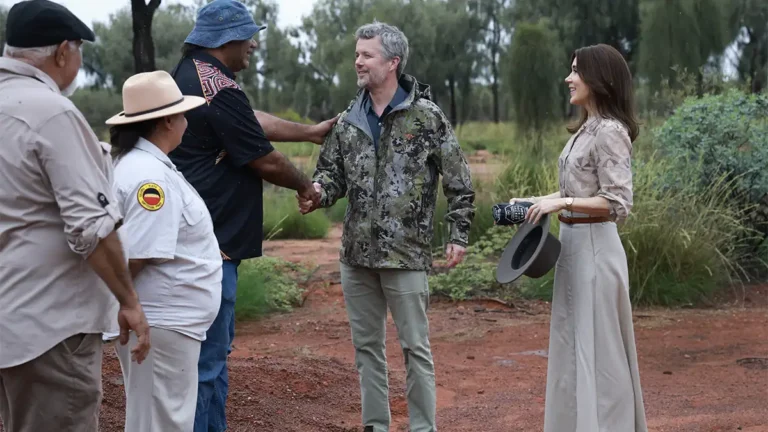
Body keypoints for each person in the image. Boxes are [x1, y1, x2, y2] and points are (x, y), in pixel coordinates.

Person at [167, 1, 337, 430]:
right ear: (228, 39)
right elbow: (264, 159)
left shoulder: (199, 75)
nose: (255, 44)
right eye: (249, 35)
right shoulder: (214, 86)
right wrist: (306, 186)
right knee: (206, 367)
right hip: (211, 249)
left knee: (214, 361)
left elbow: (248, 121)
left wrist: (310, 132)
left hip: (207, 245)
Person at [299, 21, 475, 432]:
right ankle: (375, 426)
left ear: (392, 62)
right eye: (357, 54)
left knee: (415, 348)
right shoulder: (348, 121)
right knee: (367, 351)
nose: (358, 61)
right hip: (356, 257)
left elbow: (459, 181)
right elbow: (331, 176)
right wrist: (317, 193)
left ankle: (422, 428)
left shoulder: (427, 117)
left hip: (406, 255)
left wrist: (459, 234)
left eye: (367, 55)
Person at [0, 1, 151, 431]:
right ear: (63, 52)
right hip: (48, 326)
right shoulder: (51, 113)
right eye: (79, 51)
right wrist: (129, 301)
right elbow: (92, 228)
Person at [509, 43, 648, 432]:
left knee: (600, 352)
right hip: (572, 248)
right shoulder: (585, 129)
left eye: (576, 71)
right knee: (573, 347)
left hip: (596, 249)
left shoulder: (610, 132)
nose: (568, 78)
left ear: (598, 79)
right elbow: (576, 189)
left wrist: (565, 202)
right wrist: (536, 201)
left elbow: (618, 202)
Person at [104, 70, 221, 432]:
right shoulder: (149, 177)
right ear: (168, 120)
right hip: (161, 319)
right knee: (162, 422)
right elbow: (138, 254)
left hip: (164, 319)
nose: (186, 121)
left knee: (155, 420)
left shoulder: (143, 166)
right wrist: (126, 303)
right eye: (183, 114)